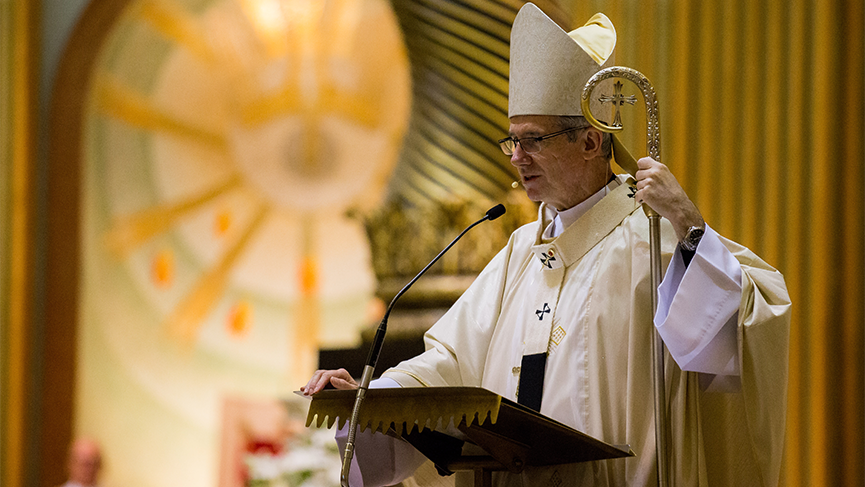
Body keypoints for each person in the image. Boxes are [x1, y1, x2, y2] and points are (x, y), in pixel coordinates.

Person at [302, 3, 790, 486]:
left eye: (533, 140)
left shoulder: (657, 240)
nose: (517, 158)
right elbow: (449, 364)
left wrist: (688, 224)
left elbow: (739, 332)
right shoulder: (519, 251)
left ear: (591, 142)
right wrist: (374, 398)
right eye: (511, 140)